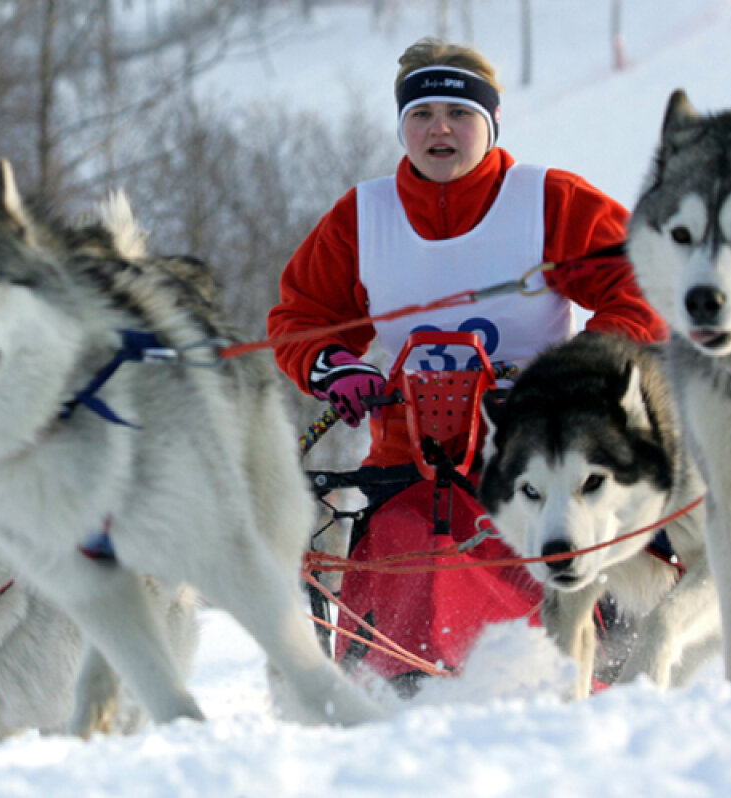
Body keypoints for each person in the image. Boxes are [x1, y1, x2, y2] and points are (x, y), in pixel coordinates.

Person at [268, 37, 666, 694]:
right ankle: (394, 686)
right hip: (407, 463)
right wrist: (332, 366)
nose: (439, 129)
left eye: (459, 113)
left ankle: (564, 672)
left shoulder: (548, 201)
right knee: (402, 543)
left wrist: (583, 370)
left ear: (491, 123)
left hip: (536, 460)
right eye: (421, 115)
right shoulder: (362, 217)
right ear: (403, 127)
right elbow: (298, 318)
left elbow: (642, 284)